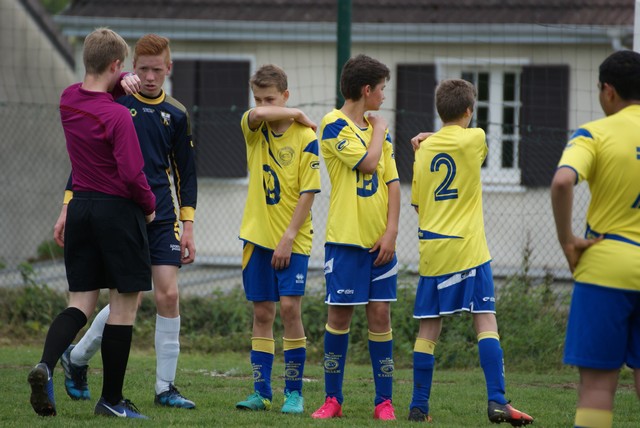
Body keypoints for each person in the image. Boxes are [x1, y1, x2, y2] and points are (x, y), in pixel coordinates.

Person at [55, 34, 198, 409]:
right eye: (143, 69)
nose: (150, 77)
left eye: (157, 70)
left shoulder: (177, 113)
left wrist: (188, 225)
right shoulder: (115, 102)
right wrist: (67, 204)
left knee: (168, 294)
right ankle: (77, 358)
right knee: (127, 297)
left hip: (160, 214)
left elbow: (186, 174)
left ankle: (165, 388)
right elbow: (85, 161)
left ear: (169, 69)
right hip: (121, 212)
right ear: (131, 67)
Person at [27, 28, 156, 419]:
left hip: (80, 208)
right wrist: (149, 207)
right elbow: (132, 174)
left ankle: (46, 365)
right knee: (123, 307)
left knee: (80, 304)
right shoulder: (118, 115)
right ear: (117, 65)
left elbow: (96, 90)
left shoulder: (68, 99)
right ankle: (111, 401)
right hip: (117, 212)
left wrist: (120, 81)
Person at [407, 79, 534, 425]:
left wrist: (427, 138)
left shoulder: (422, 152)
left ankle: (418, 407)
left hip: (433, 249)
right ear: (469, 110)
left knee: (428, 328)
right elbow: (463, 143)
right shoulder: (475, 138)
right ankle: (497, 400)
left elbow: (418, 205)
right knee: (485, 320)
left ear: (439, 111)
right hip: (468, 249)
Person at [551, 50, 640, 428]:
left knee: (598, 389)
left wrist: (568, 241)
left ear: (608, 91)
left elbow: (562, 181)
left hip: (606, 267)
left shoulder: (594, 133)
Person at [310, 54, 400, 421]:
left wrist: (391, 232)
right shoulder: (333, 124)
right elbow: (367, 163)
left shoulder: (380, 131)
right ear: (366, 90)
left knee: (380, 315)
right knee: (339, 316)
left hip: (380, 242)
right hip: (346, 241)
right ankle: (333, 399)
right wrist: (379, 129)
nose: (383, 96)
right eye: (381, 89)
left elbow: (392, 183)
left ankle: (384, 402)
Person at [235, 64, 320, 414]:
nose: (262, 105)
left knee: (289, 309)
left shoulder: (306, 137)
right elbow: (256, 115)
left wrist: (288, 236)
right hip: (256, 237)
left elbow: (308, 192)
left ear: (285, 95)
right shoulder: (254, 128)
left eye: (270, 99)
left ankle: (294, 393)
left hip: (293, 239)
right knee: (262, 312)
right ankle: (261, 393)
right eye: (258, 98)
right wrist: (295, 112)